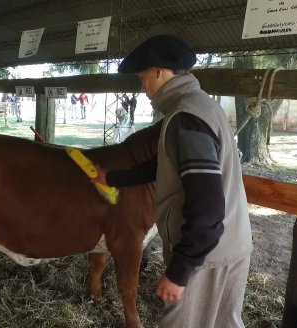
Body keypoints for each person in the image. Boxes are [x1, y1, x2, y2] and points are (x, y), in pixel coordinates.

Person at [92, 35, 253, 328]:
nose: (142, 88)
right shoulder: (202, 105)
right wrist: (113, 177)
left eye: (142, 78)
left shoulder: (185, 118)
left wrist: (180, 270)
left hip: (206, 257)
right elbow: (166, 166)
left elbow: (206, 207)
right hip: (232, 243)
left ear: (158, 71)